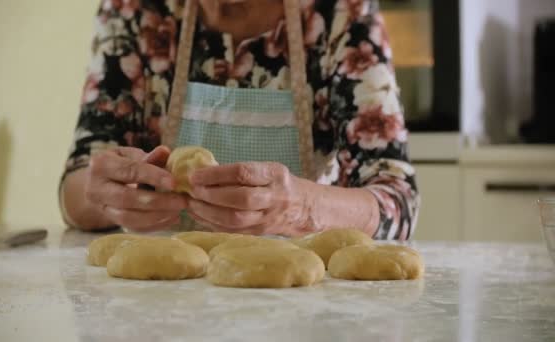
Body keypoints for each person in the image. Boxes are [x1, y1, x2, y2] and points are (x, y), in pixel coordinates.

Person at [59, 0, 419, 240]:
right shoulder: (134, 10)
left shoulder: (341, 13)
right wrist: (106, 194)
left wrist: (303, 208)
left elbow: (397, 199)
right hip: (163, 306)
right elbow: (78, 182)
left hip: (304, 305)